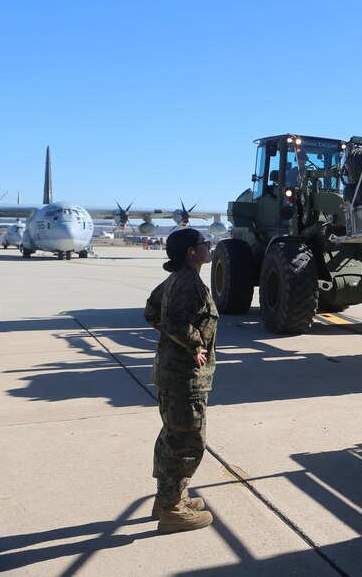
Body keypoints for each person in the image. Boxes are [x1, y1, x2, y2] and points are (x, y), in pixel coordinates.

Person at [144, 228, 217, 532]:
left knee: (172, 435)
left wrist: (177, 341)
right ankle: (174, 510)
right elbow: (174, 320)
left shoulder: (177, 279)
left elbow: (151, 311)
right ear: (191, 251)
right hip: (185, 378)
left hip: (169, 373)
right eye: (204, 244)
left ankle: (168, 498)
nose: (208, 247)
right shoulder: (189, 283)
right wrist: (194, 345)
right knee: (187, 441)